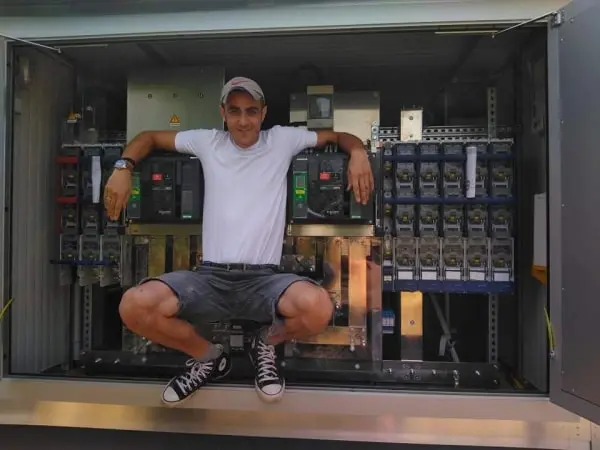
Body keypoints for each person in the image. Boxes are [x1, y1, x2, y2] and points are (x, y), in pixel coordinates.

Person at [103, 76, 375, 406]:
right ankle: (209, 358)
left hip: (265, 280)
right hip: (210, 278)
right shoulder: (207, 141)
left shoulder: (282, 139)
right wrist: (123, 167)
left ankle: (264, 343)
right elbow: (147, 137)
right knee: (133, 306)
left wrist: (358, 152)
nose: (243, 121)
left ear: (264, 113)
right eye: (234, 111)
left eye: (251, 111)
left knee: (319, 308)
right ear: (223, 113)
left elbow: (337, 136)